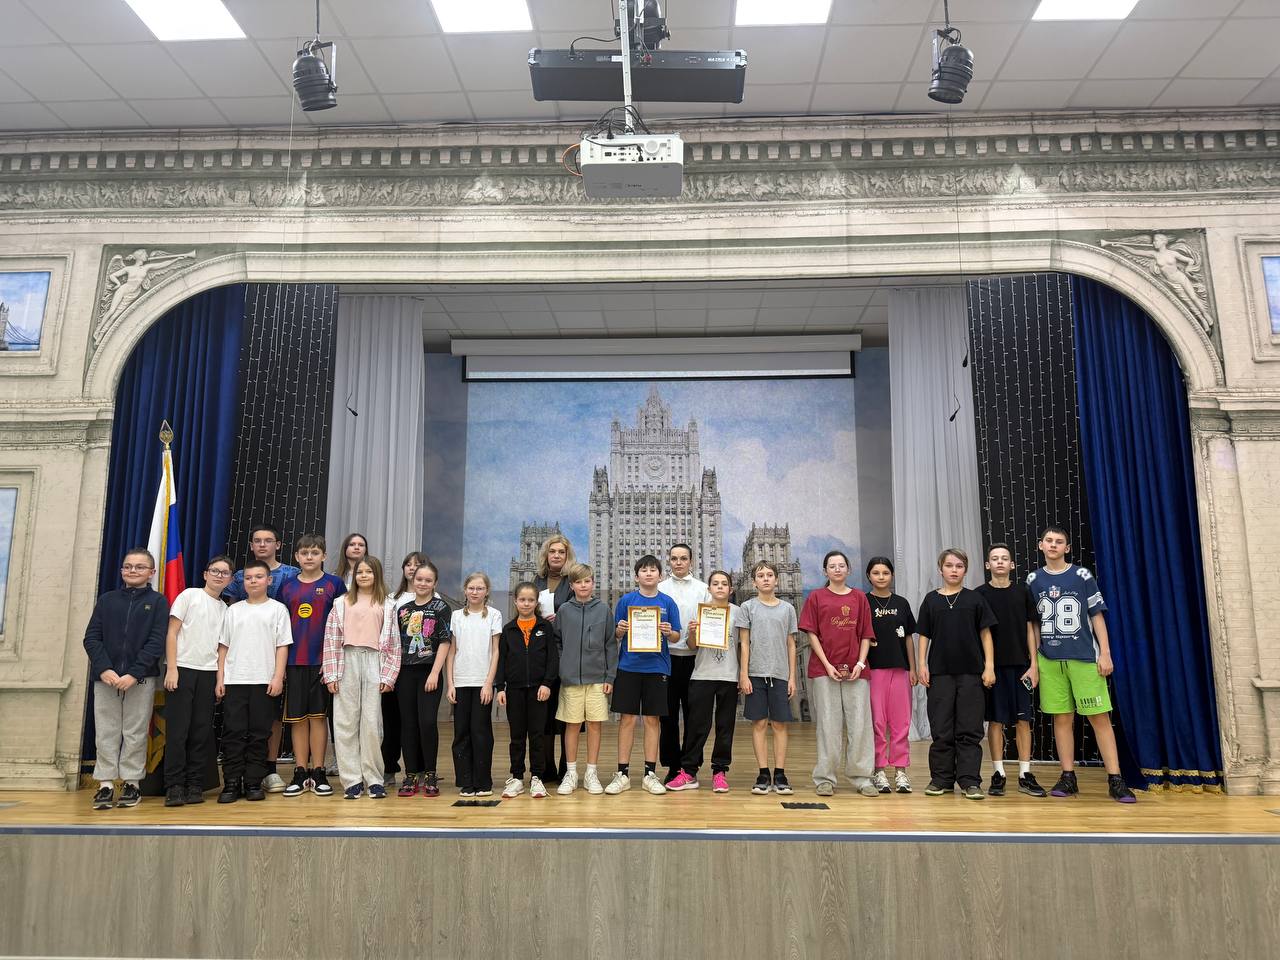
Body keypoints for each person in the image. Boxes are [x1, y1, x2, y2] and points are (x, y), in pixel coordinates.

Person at [1027, 525, 1136, 803]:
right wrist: (1035, 661)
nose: (1053, 545)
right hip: (1051, 660)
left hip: (1084, 657)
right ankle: (1068, 776)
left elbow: (1096, 615)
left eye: (1059, 541)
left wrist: (1105, 653)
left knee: (1099, 717)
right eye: (1049, 540)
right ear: (1041, 545)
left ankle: (1115, 778)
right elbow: (1033, 624)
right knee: (1062, 718)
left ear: (1067, 548)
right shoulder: (1033, 579)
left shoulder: (1082, 575)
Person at [83, 548, 169, 810]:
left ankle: (132, 783)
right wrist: (104, 669)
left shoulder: (158, 602)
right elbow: (92, 638)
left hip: (139, 679)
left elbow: (156, 642)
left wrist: (134, 673)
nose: (133, 570)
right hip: (106, 679)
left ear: (151, 572)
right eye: (128, 566)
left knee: (135, 731)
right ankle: (105, 784)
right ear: (121, 570)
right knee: (106, 731)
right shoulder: (107, 600)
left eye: (140, 567)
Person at [221, 522, 298, 790]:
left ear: (278, 544)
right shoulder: (239, 579)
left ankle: (268, 769)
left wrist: (279, 671)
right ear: (252, 545)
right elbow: (229, 617)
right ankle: (237, 777)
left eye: (268, 540)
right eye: (257, 540)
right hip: (242, 660)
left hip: (279, 652)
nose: (262, 544)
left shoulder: (292, 574)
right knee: (237, 726)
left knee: (269, 719)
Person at [916, 548, 997, 801]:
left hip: (971, 673)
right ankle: (941, 779)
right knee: (941, 728)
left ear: (965, 570)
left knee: (969, 728)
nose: (954, 570)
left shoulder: (975, 599)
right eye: (949, 565)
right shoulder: (931, 600)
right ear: (940, 569)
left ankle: (970, 781)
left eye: (959, 566)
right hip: (940, 673)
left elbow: (986, 634)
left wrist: (989, 666)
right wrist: (921, 664)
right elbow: (924, 635)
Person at [798, 550, 877, 799]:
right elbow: (812, 634)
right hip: (824, 671)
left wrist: (860, 664)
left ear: (848, 569)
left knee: (860, 725)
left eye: (841, 565)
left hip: (856, 672)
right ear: (825, 571)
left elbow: (866, 634)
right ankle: (825, 778)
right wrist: (827, 664)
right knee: (828, 726)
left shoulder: (859, 597)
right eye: (832, 566)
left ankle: (862, 777)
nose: (837, 569)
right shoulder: (816, 597)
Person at [322, 556, 401, 800]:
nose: (364, 576)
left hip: (375, 662)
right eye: (360, 572)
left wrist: (389, 675)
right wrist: (331, 674)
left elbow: (394, 644)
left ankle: (374, 779)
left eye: (369, 572)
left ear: (377, 575)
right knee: (345, 723)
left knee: (371, 724)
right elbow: (331, 639)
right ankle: (352, 781)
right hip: (347, 660)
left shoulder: (387, 604)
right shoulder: (341, 602)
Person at [276, 534, 346, 798]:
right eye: (304, 553)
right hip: (294, 661)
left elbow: (342, 624)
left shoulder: (334, 584)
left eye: (315, 553)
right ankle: (300, 771)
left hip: (322, 663)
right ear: (296, 556)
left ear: (324, 556)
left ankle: (318, 771)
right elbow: (280, 626)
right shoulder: (287, 586)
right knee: (297, 719)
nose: (309, 557)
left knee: (318, 717)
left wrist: (333, 660)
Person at [606, 555, 681, 796]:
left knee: (652, 720)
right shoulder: (626, 601)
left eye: (653, 570)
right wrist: (620, 630)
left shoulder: (668, 602)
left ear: (660, 575)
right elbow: (615, 635)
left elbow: (677, 636)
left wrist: (669, 632)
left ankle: (650, 773)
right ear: (636, 576)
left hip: (657, 668)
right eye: (644, 570)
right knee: (627, 719)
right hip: (628, 667)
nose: (648, 573)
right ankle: (623, 774)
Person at [161, 555, 231, 807]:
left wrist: (219, 678)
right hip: (182, 669)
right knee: (178, 732)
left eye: (224, 573)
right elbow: (172, 632)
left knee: (200, 732)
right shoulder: (189, 596)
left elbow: (222, 648)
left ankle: (194, 784)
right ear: (205, 574)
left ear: (230, 579)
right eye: (215, 571)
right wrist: (172, 668)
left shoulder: (226, 610)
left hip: (208, 673)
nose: (219, 576)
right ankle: (174, 785)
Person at [977, 543, 1046, 798]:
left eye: (1004, 558)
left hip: (1021, 668)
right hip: (993, 669)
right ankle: (999, 773)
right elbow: (980, 633)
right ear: (988, 565)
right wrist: (987, 666)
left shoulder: (1022, 592)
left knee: (1023, 720)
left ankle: (1025, 774)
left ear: (1012, 565)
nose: (1000, 562)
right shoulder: (979, 594)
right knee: (995, 721)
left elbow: (1030, 629)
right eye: (995, 558)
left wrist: (1034, 665)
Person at [667, 570, 739, 793]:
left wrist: (743, 674)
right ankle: (689, 772)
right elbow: (692, 646)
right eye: (715, 583)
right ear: (709, 589)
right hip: (702, 674)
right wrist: (692, 632)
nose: (720, 587)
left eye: (724, 583)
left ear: (731, 589)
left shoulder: (739, 612)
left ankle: (720, 772)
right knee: (697, 725)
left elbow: (744, 645)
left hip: (729, 675)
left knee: (725, 726)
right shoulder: (701, 612)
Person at [739, 561, 799, 796]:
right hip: (756, 674)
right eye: (761, 575)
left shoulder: (787, 609)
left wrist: (792, 677)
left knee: (780, 724)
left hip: (780, 674)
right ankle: (763, 773)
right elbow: (744, 643)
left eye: (769, 575)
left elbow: (791, 644)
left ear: (776, 579)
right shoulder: (747, 607)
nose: (765, 578)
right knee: (760, 723)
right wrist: (744, 674)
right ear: (754, 582)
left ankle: (780, 773)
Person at [394, 562, 451, 798]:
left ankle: (430, 773)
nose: (423, 583)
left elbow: (445, 642)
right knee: (408, 724)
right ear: (412, 580)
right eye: (419, 579)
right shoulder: (403, 610)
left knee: (427, 722)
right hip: (405, 673)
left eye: (428, 580)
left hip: (429, 672)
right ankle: (410, 774)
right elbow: (396, 643)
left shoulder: (441, 607)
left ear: (435, 583)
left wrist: (435, 672)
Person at [497, 582, 559, 799]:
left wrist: (547, 683)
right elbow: (501, 661)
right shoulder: (508, 629)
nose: (526, 603)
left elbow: (552, 659)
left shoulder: (545, 627)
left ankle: (537, 778)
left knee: (537, 735)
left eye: (530, 600)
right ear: (515, 601)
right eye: (522, 600)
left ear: (536, 602)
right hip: (514, 691)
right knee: (516, 736)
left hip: (538, 691)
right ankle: (516, 777)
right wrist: (500, 687)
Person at [863, 557, 918, 795]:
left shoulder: (901, 603)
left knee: (901, 723)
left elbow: (908, 638)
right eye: (876, 573)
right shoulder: (863, 602)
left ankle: (901, 770)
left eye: (885, 572)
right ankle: (879, 770)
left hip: (900, 669)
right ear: (869, 576)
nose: (881, 577)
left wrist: (913, 668)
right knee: (877, 722)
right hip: (874, 670)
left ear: (892, 575)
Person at [658, 542, 710, 786]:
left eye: (683, 558)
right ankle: (672, 765)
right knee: (667, 716)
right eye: (674, 558)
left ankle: (691, 766)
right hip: (665, 659)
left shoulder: (703, 589)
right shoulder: (659, 588)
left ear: (691, 561)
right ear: (669, 561)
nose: (678, 562)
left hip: (694, 659)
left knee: (693, 715)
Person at [448, 572, 501, 797]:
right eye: (471, 588)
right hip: (460, 682)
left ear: (486, 591)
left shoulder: (494, 615)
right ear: (465, 590)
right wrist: (450, 684)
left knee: (481, 732)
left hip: (482, 683)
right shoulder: (456, 616)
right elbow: (452, 651)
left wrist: (489, 683)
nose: (475, 592)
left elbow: (496, 651)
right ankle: (466, 782)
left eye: (480, 588)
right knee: (461, 732)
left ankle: (483, 782)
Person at [533, 533, 575, 784]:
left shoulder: (573, 580)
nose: (557, 555)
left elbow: (579, 612)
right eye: (552, 551)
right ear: (546, 555)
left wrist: (560, 618)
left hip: (566, 652)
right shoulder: (536, 580)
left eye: (561, 552)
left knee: (567, 715)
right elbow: (525, 608)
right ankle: (545, 767)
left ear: (567, 555)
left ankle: (566, 768)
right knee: (544, 716)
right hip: (541, 653)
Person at [382, 551, 427, 787]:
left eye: (417, 565)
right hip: (393, 667)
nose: (412, 568)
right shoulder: (392, 599)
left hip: (418, 667)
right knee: (392, 721)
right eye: (408, 564)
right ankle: (389, 767)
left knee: (418, 720)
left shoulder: (433, 599)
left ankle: (419, 768)